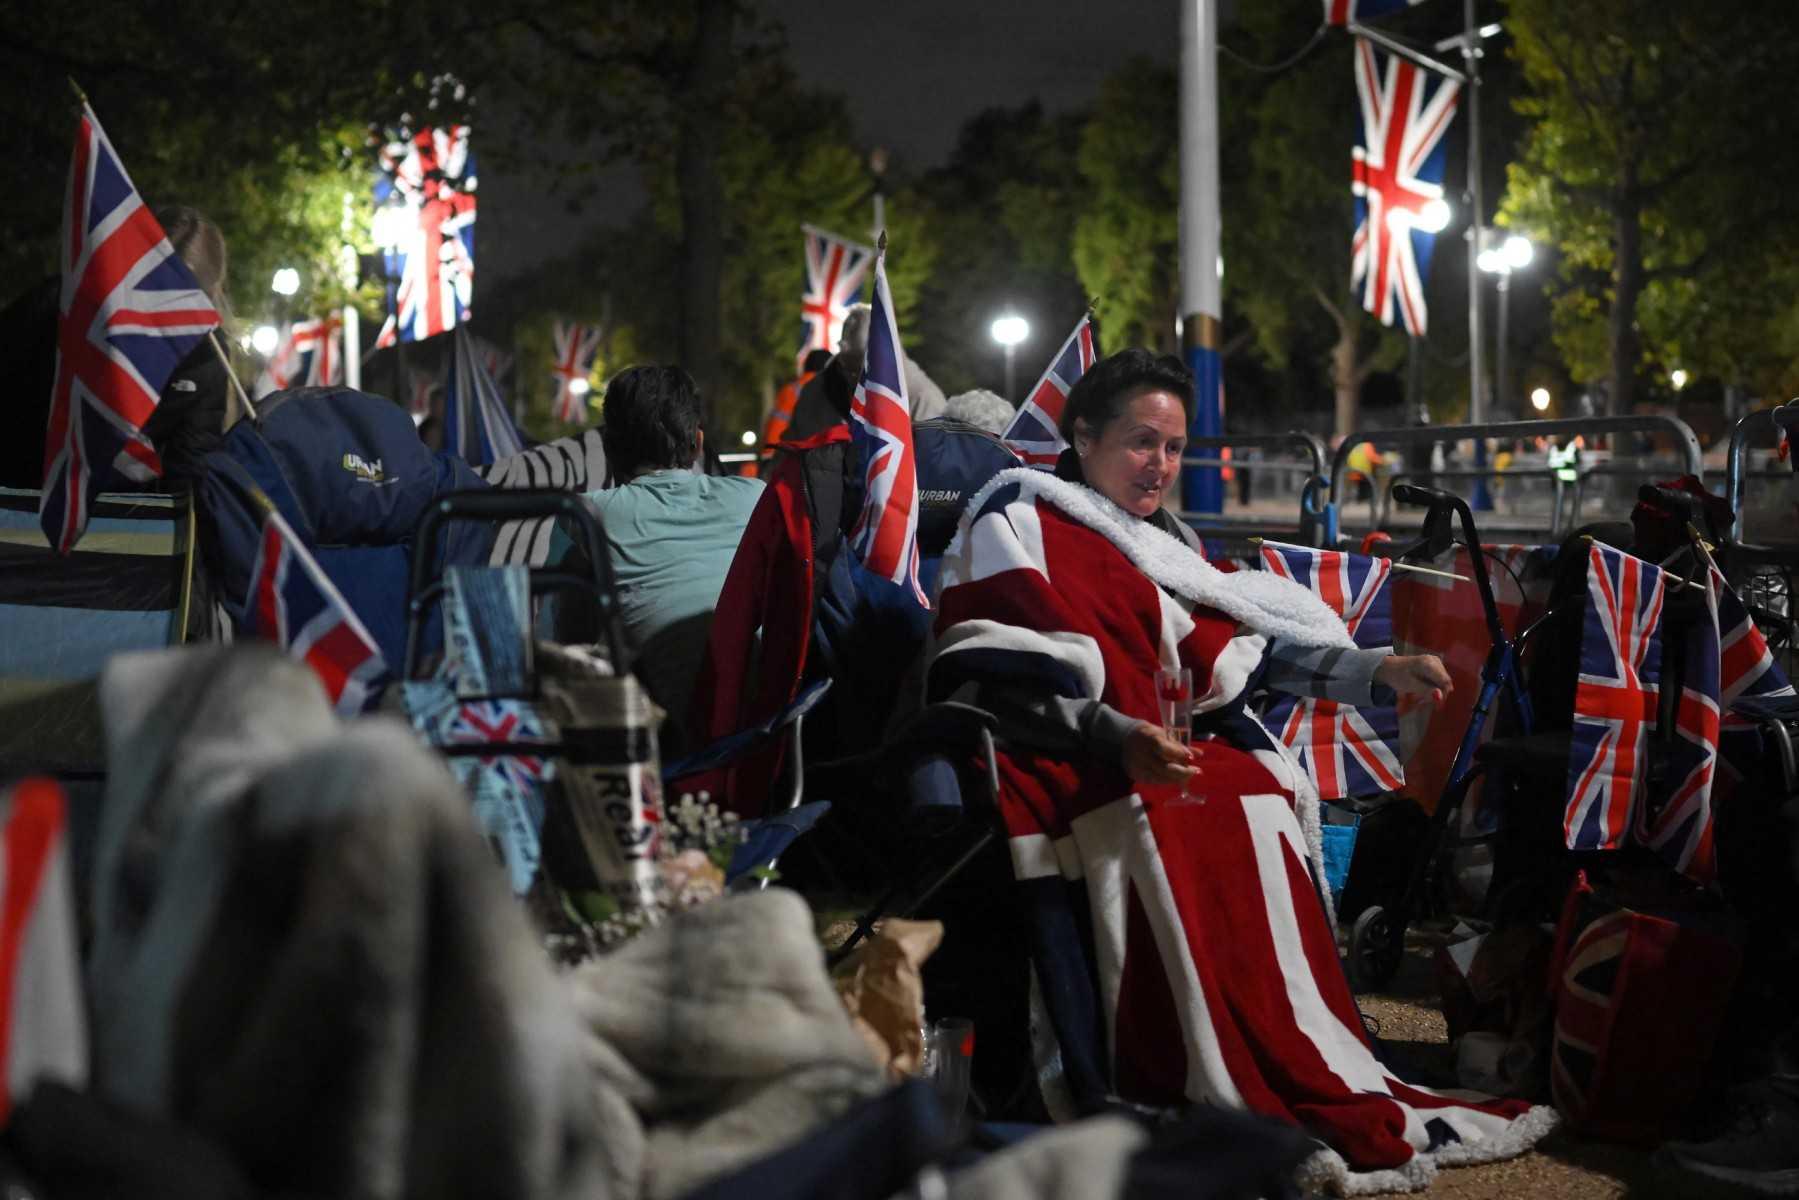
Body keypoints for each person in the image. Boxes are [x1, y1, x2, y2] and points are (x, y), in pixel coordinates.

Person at [926, 349, 1553, 1188]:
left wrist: (1376, 670)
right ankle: (1184, 1060)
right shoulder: (1016, 516)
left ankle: (1275, 1044)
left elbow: (1244, 650)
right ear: (1081, 435)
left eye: (1175, 448)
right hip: (1066, 753)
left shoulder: (1169, 541)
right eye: (1140, 441)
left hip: (1172, 747)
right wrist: (1117, 735)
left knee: (1256, 786)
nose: (1159, 466)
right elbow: (996, 661)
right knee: (1198, 801)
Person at [557, 365, 762, 751]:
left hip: (666, 741)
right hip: (767, 732)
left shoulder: (586, 516)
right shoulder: (754, 499)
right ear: (698, 443)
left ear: (610, 450)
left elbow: (563, 641)